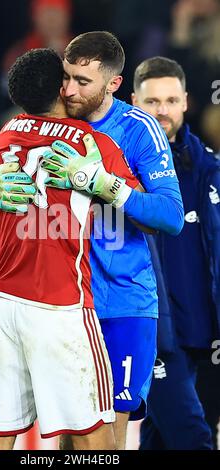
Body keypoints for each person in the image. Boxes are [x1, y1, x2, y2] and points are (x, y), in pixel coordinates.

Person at [0, 32, 184, 450]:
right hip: (64, 302)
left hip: (121, 302)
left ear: (112, 84)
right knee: (70, 440)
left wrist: (105, 186)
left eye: (83, 82)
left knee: (109, 434)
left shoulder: (135, 130)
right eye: (66, 77)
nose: (69, 89)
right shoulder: (49, 127)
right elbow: (10, 171)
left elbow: (171, 216)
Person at [131, 56, 220, 449]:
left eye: (170, 100)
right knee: (194, 438)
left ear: (186, 101)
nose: (162, 111)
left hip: (206, 336)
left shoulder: (209, 169)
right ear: (134, 102)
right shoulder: (120, 172)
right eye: (152, 102)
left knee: (159, 441)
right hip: (155, 338)